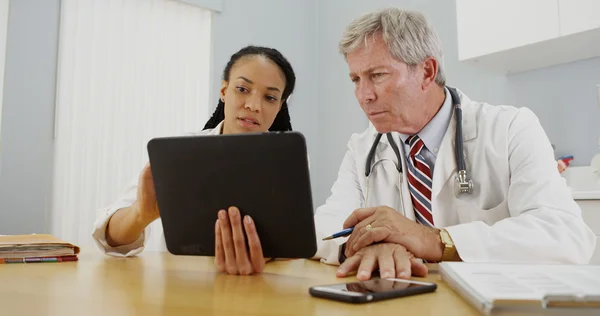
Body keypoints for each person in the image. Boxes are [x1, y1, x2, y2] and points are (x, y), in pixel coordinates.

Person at [210, 7, 596, 280]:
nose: (364, 95)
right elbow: (326, 226)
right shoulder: (364, 147)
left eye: (377, 75)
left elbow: (565, 236)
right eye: (355, 80)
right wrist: (365, 246)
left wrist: (431, 240)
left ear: (426, 71)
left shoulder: (511, 128)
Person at [92, 46, 296, 276]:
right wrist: (141, 213)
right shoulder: (180, 153)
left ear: (279, 106)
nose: (254, 106)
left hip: (260, 291)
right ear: (224, 90)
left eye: (270, 97)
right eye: (242, 89)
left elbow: (295, 241)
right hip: (181, 290)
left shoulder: (289, 162)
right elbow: (109, 238)